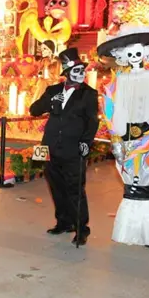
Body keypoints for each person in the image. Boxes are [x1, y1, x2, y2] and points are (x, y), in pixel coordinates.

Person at [98, 23, 149, 250]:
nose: (135, 58)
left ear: (146, 54)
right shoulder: (119, 82)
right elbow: (115, 109)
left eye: (139, 54)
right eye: (131, 54)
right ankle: (133, 231)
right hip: (127, 137)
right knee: (132, 182)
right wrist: (117, 136)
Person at [29, 47, 99, 245]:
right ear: (67, 73)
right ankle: (63, 222)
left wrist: (86, 142)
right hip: (48, 146)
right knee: (55, 186)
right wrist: (51, 103)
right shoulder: (52, 90)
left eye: (82, 70)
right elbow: (34, 110)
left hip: (73, 148)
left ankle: (81, 228)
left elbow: (92, 121)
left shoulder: (89, 94)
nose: (81, 73)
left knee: (75, 189)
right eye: (76, 70)